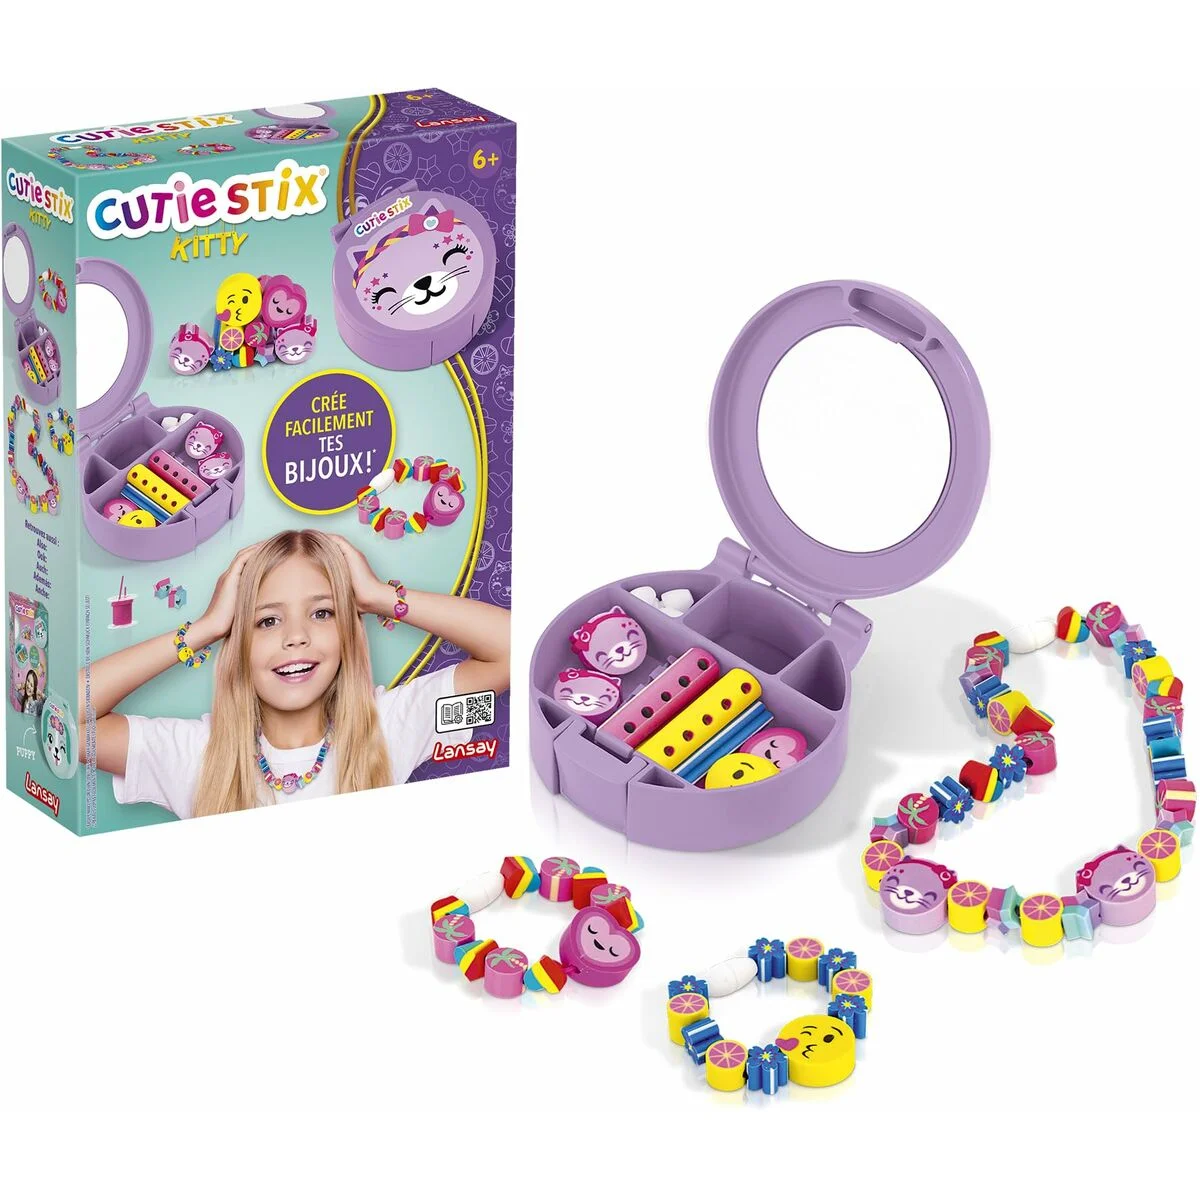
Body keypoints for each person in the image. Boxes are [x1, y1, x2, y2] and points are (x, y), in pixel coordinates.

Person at [80, 530, 510, 818]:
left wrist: (379, 597)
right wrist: (205, 629)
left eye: (322, 613)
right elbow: (68, 720)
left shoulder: (392, 725)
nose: (296, 637)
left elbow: (512, 649)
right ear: (239, 641)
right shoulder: (195, 753)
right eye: (267, 621)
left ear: (347, 630)